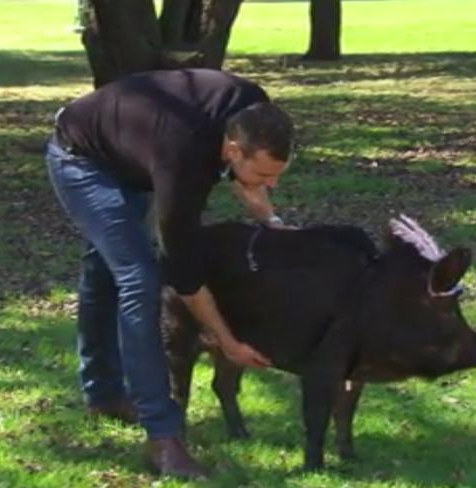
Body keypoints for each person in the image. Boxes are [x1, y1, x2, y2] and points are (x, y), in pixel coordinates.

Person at [45, 68, 294, 478]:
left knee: (106, 271)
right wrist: (228, 342)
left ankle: (104, 395)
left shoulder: (254, 109)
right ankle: (162, 437)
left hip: (131, 151)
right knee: (139, 279)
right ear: (233, 150)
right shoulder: (183, 159)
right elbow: (185, 276)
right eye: (265, 176)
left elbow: (242, 172)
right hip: (82, 159)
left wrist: (269, 216)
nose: (273, 182)